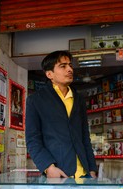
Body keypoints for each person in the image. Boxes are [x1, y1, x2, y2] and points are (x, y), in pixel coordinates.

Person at [25, 50, 97, 178]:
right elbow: (33, 139)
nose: (69, 69)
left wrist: (92, 169)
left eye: (70, 65)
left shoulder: (79, 99)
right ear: (49, 74)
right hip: (58, 173)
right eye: (63, 66)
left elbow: (85, 137)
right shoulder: (36, 100)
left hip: (84, 174)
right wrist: (48, 167)